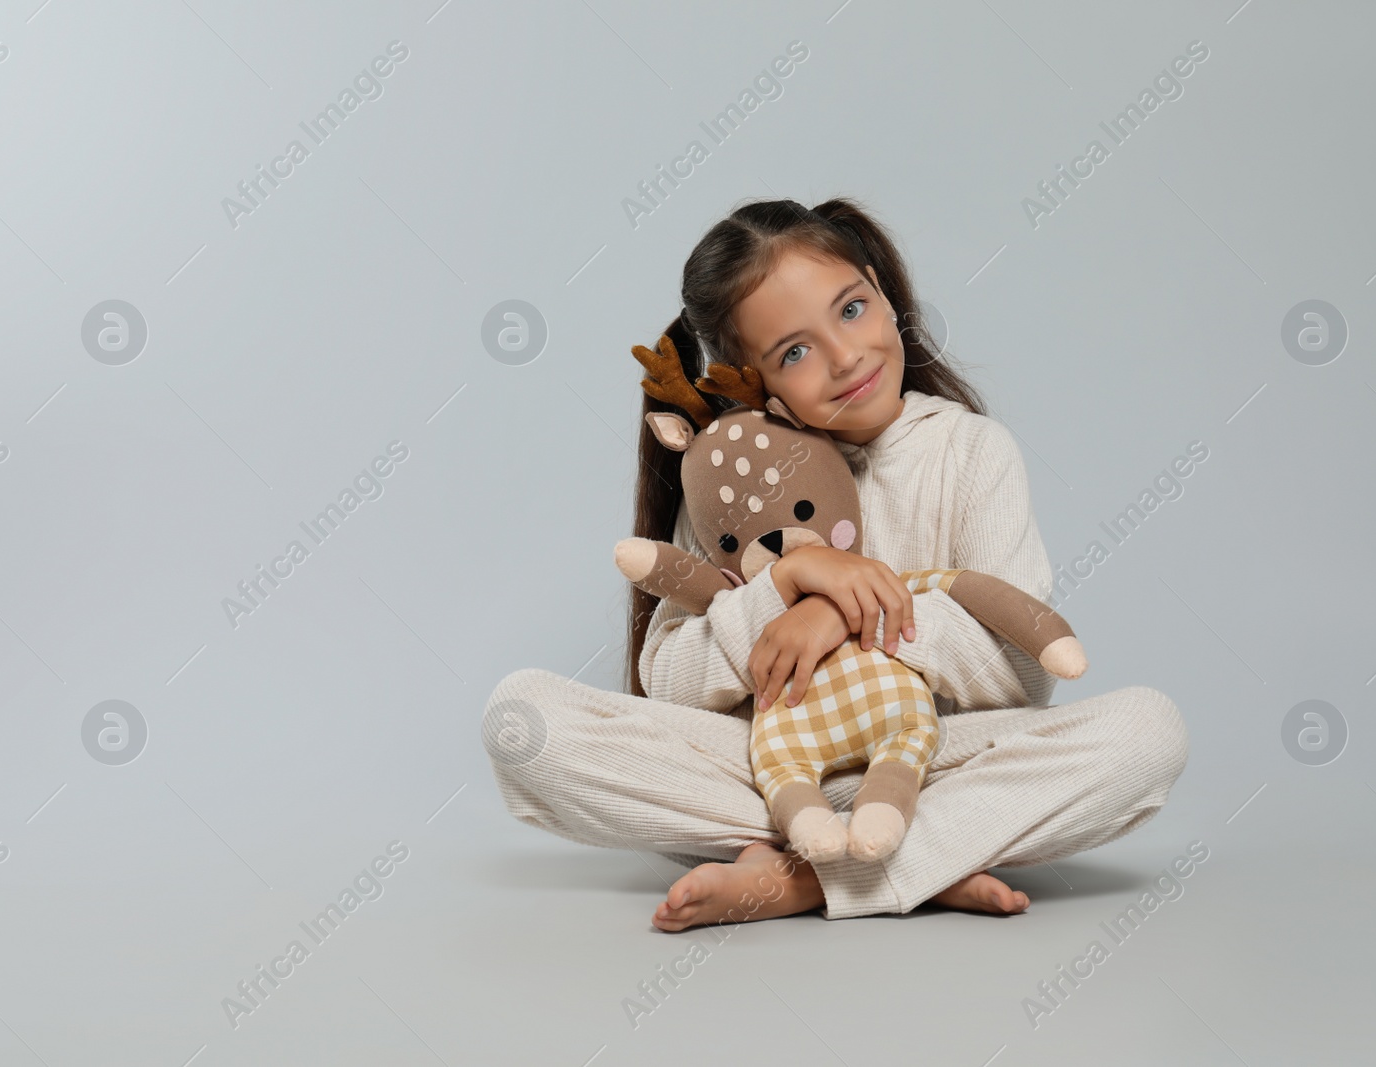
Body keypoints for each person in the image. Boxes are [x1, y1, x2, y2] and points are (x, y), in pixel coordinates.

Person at [482, 197, 1188, 930]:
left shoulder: (972, 452)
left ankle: (806, 878)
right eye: (794, 352)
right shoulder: (730, 484)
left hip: (933, 757)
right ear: (748, 380)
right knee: (521, 718)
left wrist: (848, 612)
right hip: (767, 766)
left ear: (881, 290)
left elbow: (1024, 677)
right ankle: (920, 860)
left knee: (1148, 732)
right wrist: (780, 587)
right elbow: (667, 686)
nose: (845, 356)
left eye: (851, 309)